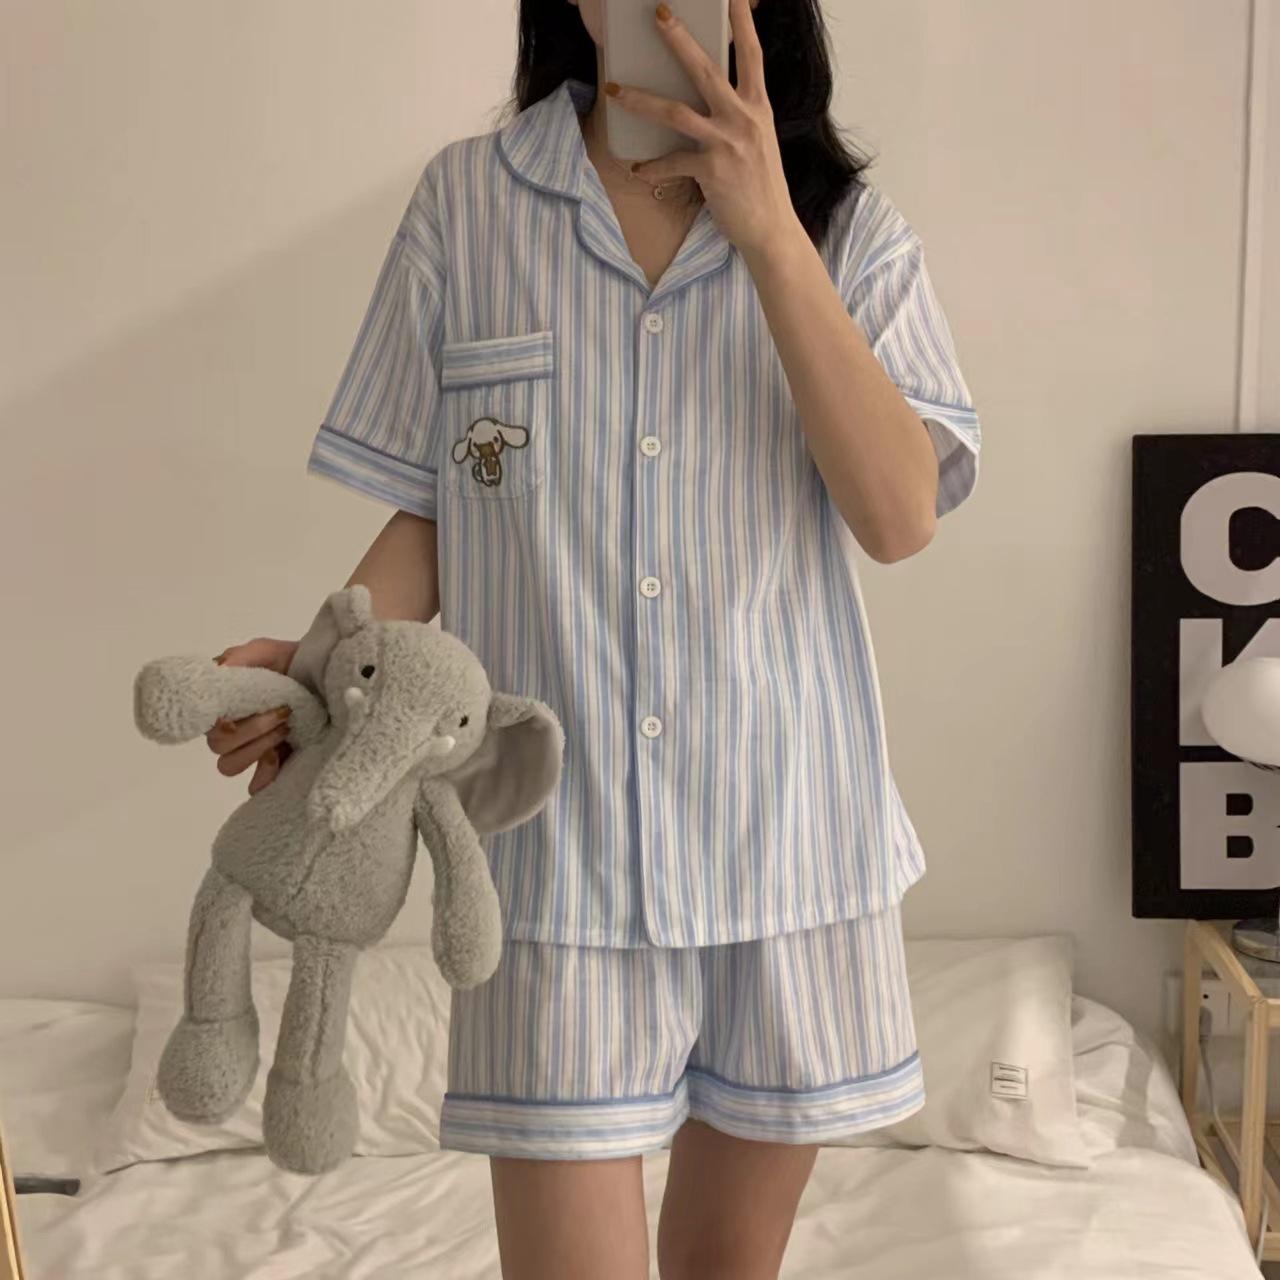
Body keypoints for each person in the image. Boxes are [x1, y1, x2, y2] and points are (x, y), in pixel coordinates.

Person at [207, 1, 981, 1276]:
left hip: (787, 848)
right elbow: (440, 510)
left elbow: (897, 516)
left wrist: (767, 232)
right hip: (552, 856)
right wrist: (315, 681)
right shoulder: (469, 205)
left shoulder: (846, 230)